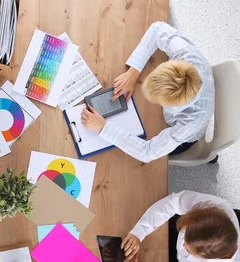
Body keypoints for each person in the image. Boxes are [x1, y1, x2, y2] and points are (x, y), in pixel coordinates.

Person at [81, 22, 214, 162]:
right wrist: (133, 73)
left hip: (182, 139)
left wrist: (104, 128)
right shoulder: (186, 54)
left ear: (170, 104)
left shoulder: (191, 122)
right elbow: (157, 29)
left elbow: (147, 152)